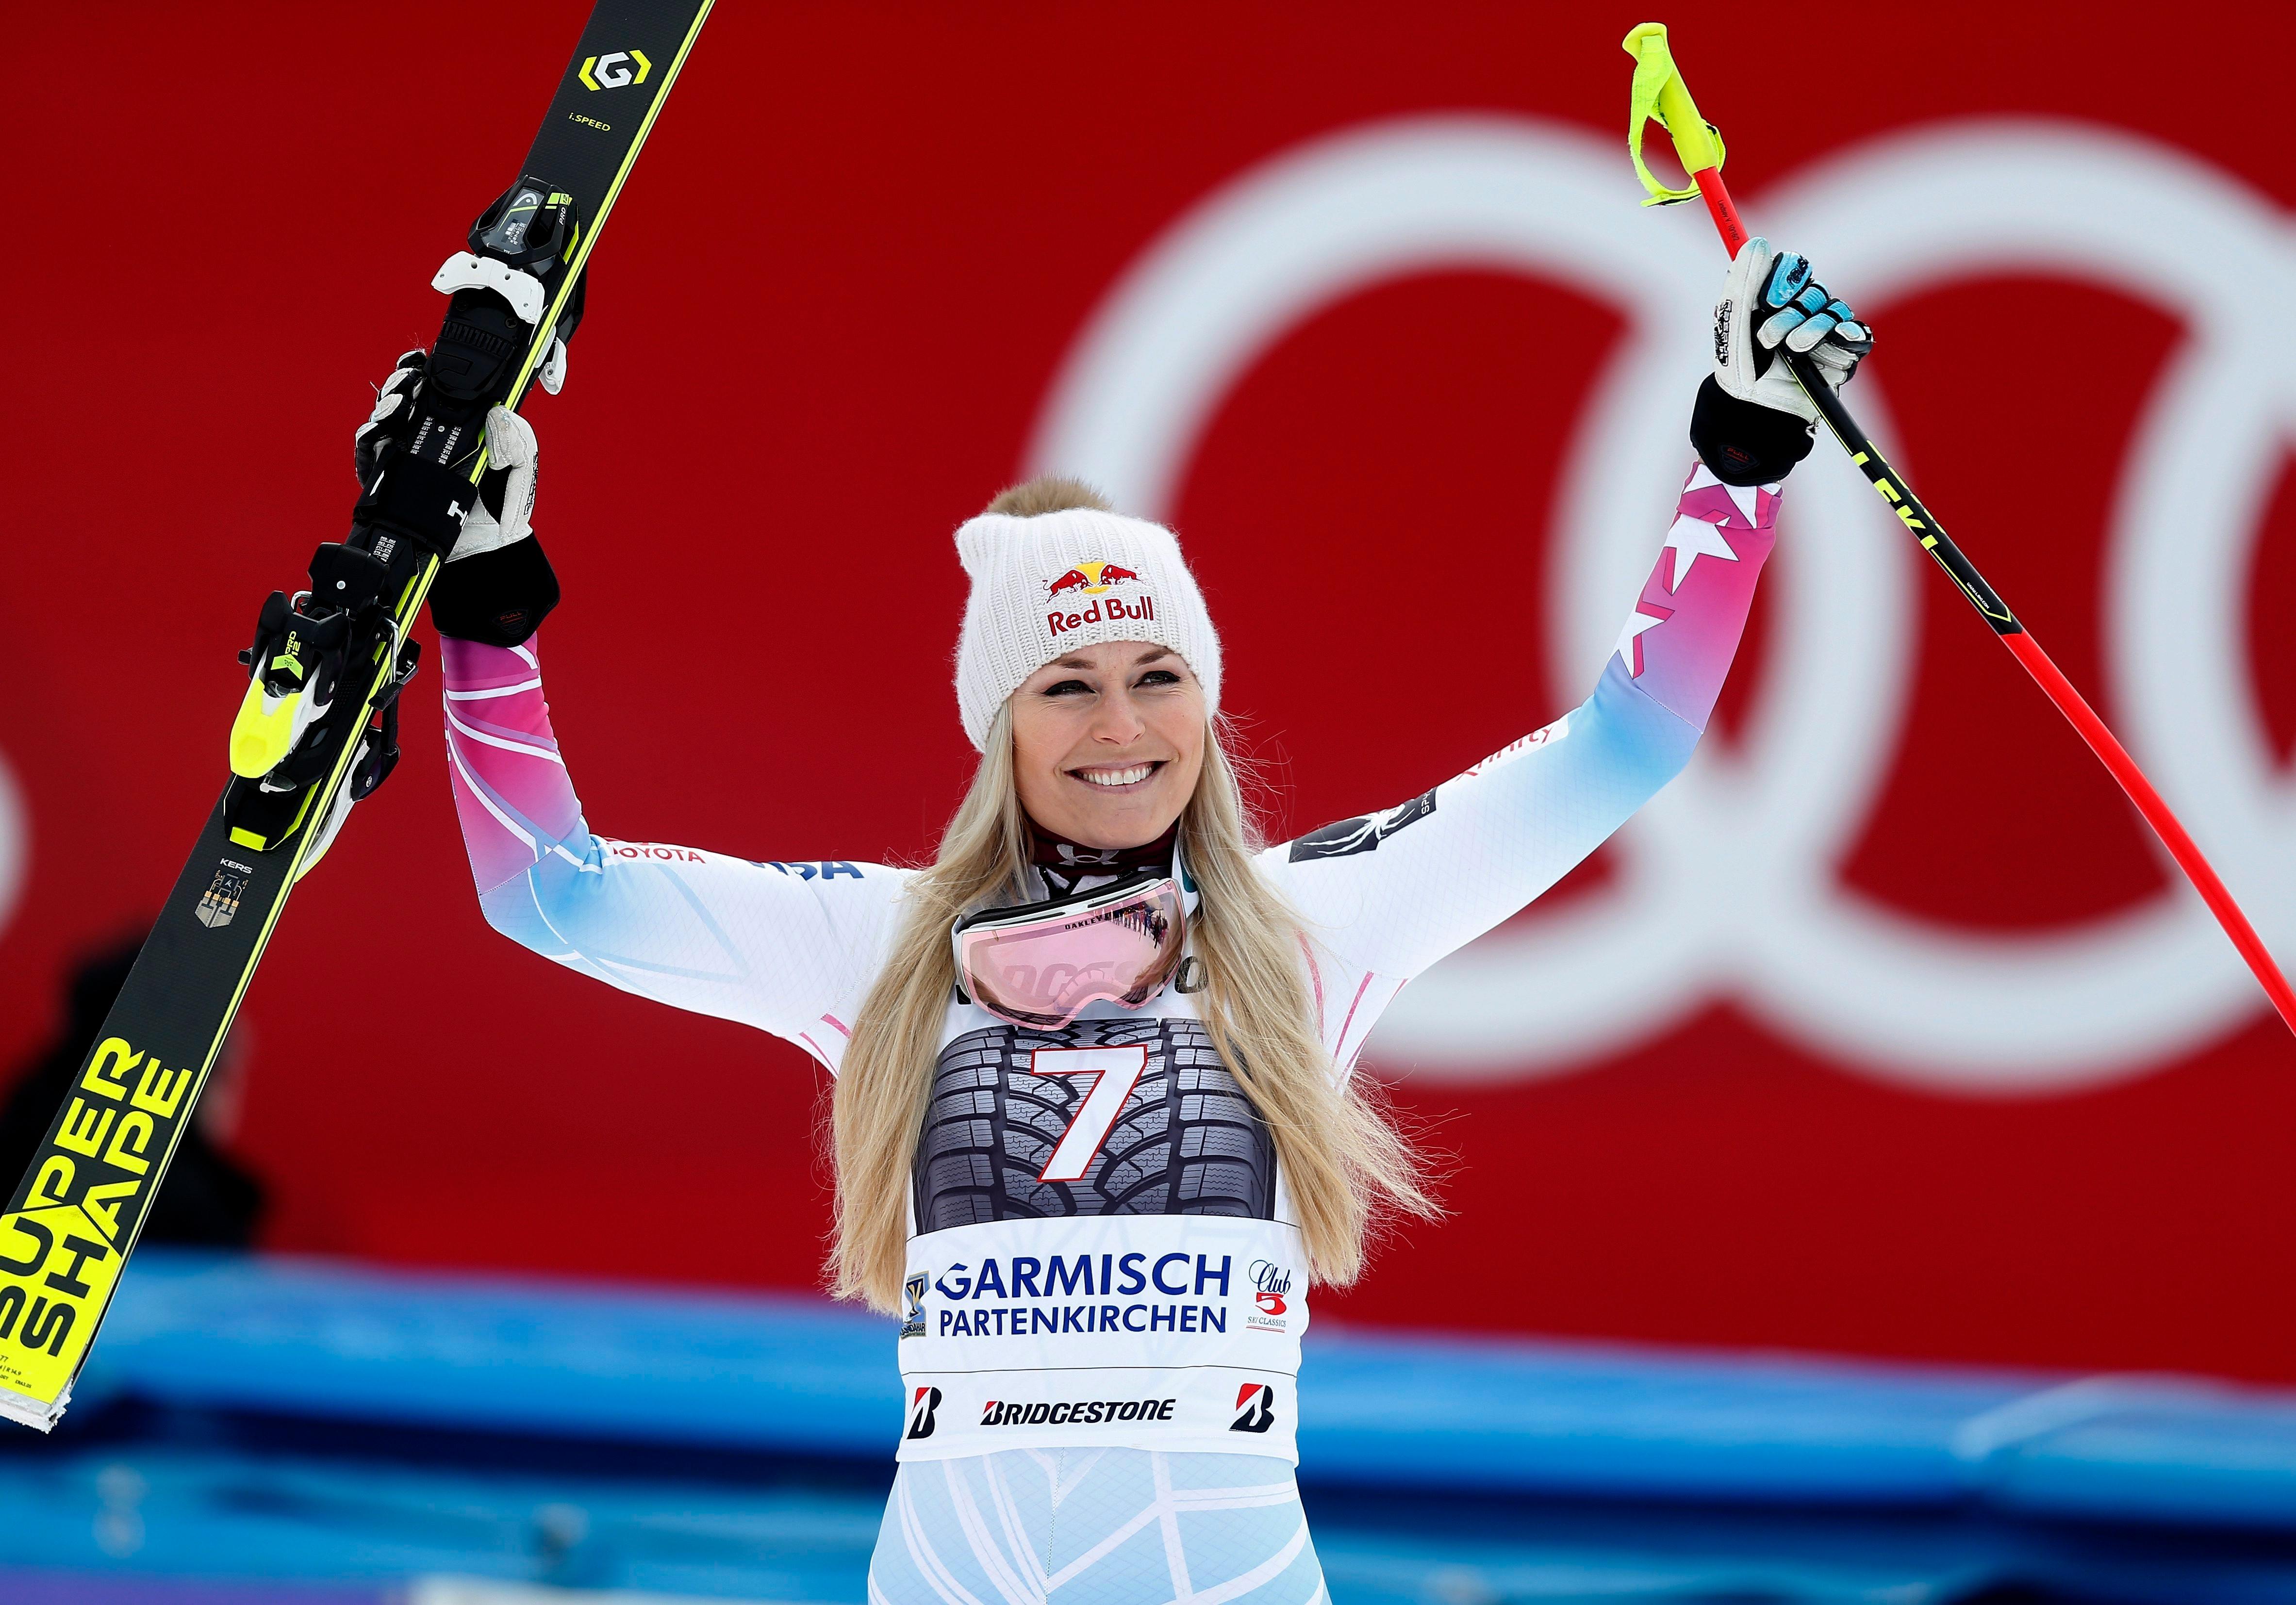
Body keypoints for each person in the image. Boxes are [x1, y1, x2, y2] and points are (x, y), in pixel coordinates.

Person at [361, 239, 1868, 1601]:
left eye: (1160, 677)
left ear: (1207, 702)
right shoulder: (881, 946)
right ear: (997, 725)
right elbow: (547, 893)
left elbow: (1628, 742)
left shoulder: (1310, 920)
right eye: (1066, 686)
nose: (1119, 725)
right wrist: (488, 608)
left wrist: (1736, 461)